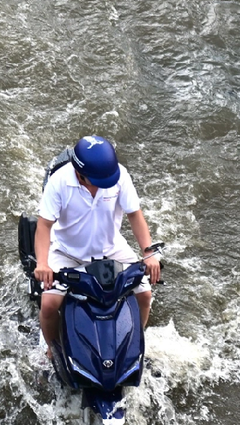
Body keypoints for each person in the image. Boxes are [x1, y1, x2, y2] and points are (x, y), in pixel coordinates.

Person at [32, 135, 161, 358]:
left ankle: (134, 343)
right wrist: (43, 263)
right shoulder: (59, 182)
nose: (105, 184)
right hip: (67, 252)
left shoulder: (120, 176)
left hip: (111, 248)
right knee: (50, 304)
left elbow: (135, 215)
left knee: (145, 295)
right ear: (80, 175)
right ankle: (52, 351)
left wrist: (148, 253)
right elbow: (44, 226)